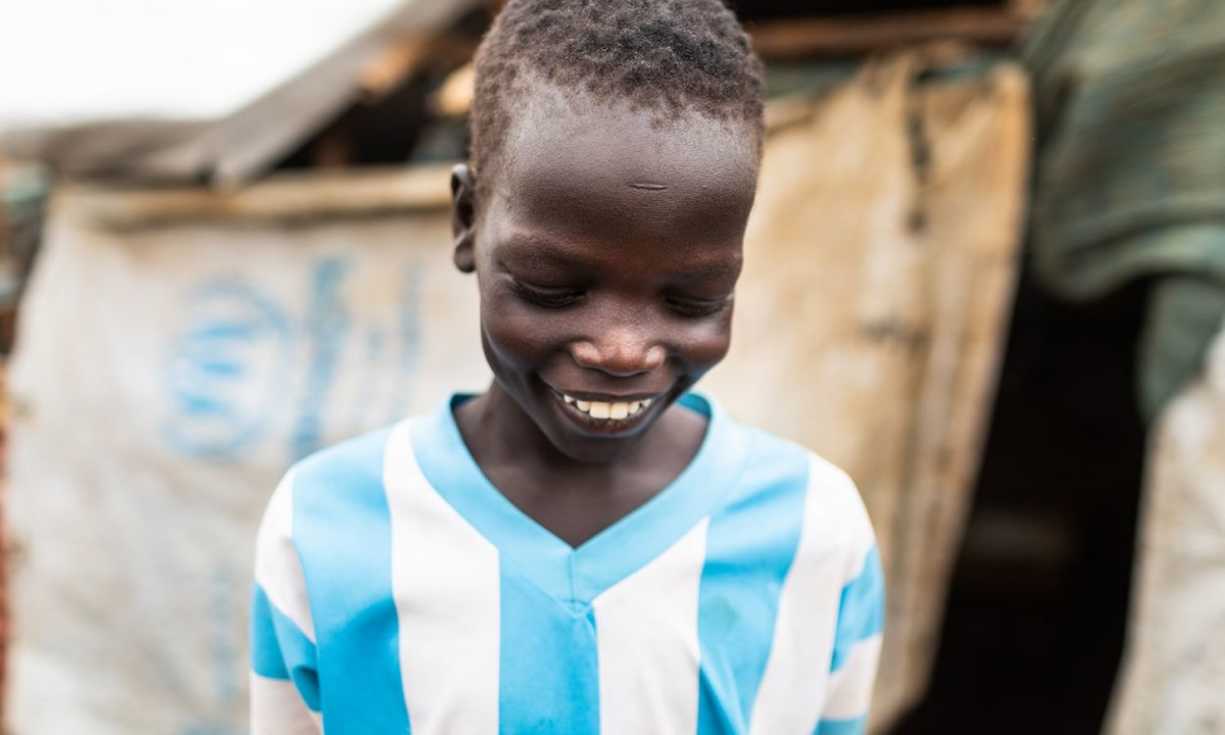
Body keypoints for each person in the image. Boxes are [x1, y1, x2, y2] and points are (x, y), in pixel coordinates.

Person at [249, 0, 884, 732]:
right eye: (554, 287)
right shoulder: (327, 527)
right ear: (467, 221)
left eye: (692, 298)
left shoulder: (813, 529)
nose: (621, 349)